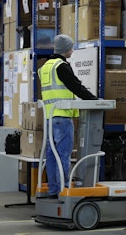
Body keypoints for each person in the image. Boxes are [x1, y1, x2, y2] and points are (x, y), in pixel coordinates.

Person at [38, 34, 97, 199]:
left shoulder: (45, 67)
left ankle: (53, 190)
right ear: (65, 50)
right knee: (63, 155)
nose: (72, 50)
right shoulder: (61, 66)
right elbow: (76, 86)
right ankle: (63, 191)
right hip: (62, 118)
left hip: (49, 117)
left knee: (51, 154)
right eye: (70, 47)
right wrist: (95, 101)